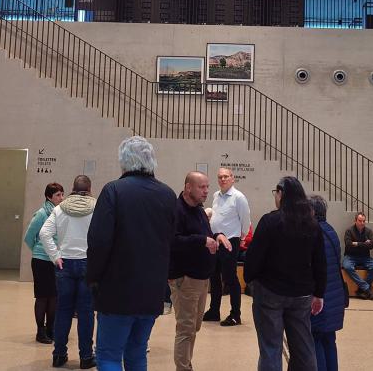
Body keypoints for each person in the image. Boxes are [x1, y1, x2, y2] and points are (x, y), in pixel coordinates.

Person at [87, 136, 176, 371]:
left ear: (123, 161)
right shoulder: (167, 194)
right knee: (137, 353)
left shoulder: (113, 191)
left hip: (117, 291)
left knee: (108, 355)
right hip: (151, 291)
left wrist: (93, 277)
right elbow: (172, 241)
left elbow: (99, 241)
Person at [245, 176, 325, 371]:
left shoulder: (270, 221)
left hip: (270, 292)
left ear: (281, 194)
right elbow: (319, 262)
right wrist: (319, 293)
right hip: (302, 294)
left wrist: (250, 279)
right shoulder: (312, 224)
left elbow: (254, 256)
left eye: (276, 193)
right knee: (304, 348)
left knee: (271, 348)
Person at [170, 171, 232, 371]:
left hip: (200, 277)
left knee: (194, 327)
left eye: (207, 187)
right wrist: (202, 241)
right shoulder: (177, 210)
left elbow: (203, 234)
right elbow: (172, 241)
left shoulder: (197, 209)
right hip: (185, 278)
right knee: (186, 328)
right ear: (189, 187)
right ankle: (183, 368)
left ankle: (186, 363)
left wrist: (217, 235)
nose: (207, 191)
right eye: (202, 187)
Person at [41, 175, 97, 369]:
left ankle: (59, 355)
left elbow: (44, 233)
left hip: (64, 265)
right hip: (87, 264)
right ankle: (86, 357)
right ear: (89, 189)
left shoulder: (59, 209)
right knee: (86, 312)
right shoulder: (96, 208)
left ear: (73, 188)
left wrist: (55, 256)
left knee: (63, 311)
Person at [203, 167, 250, 326]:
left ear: (232, 178)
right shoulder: (216, 195)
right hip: (215, 242)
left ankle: (235, 314)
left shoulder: (239, 197)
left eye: (225, 177)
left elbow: (246, 221)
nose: (222, 179)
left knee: (230, 278)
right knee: (214, 276)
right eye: (220, 177)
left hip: (230, 242)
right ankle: (214, 310)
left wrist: (241, 237)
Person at [23, 182, 65, 343]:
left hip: (56, 260)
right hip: (41, 261)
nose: (61, 198)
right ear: (49, 197)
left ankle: (50, 329)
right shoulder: (41, 213)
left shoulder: (60, 213)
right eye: (58, 195)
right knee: (42, 297)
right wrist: (39, 250)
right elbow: (29, 237)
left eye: (62, 194)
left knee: (54, 297)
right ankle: (40, 332)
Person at [308, 195, 346, 371]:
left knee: (316, 341)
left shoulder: (314, 233)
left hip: (321, 298)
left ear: (313, 211)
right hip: (334, 296)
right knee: (329, 341)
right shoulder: (330, 230)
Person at [342, 213, 373, 300]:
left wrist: (357, 243)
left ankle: (361, 290)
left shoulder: (368, 231)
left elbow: (372, 245)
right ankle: (366, 288)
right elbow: (348, 245)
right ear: (355, 221)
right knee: (347, 267)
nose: (362, 223)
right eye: (360, 221)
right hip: (350, 256)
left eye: (364, 221)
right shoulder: (349, 231)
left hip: (365, 257)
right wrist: (365, 244)